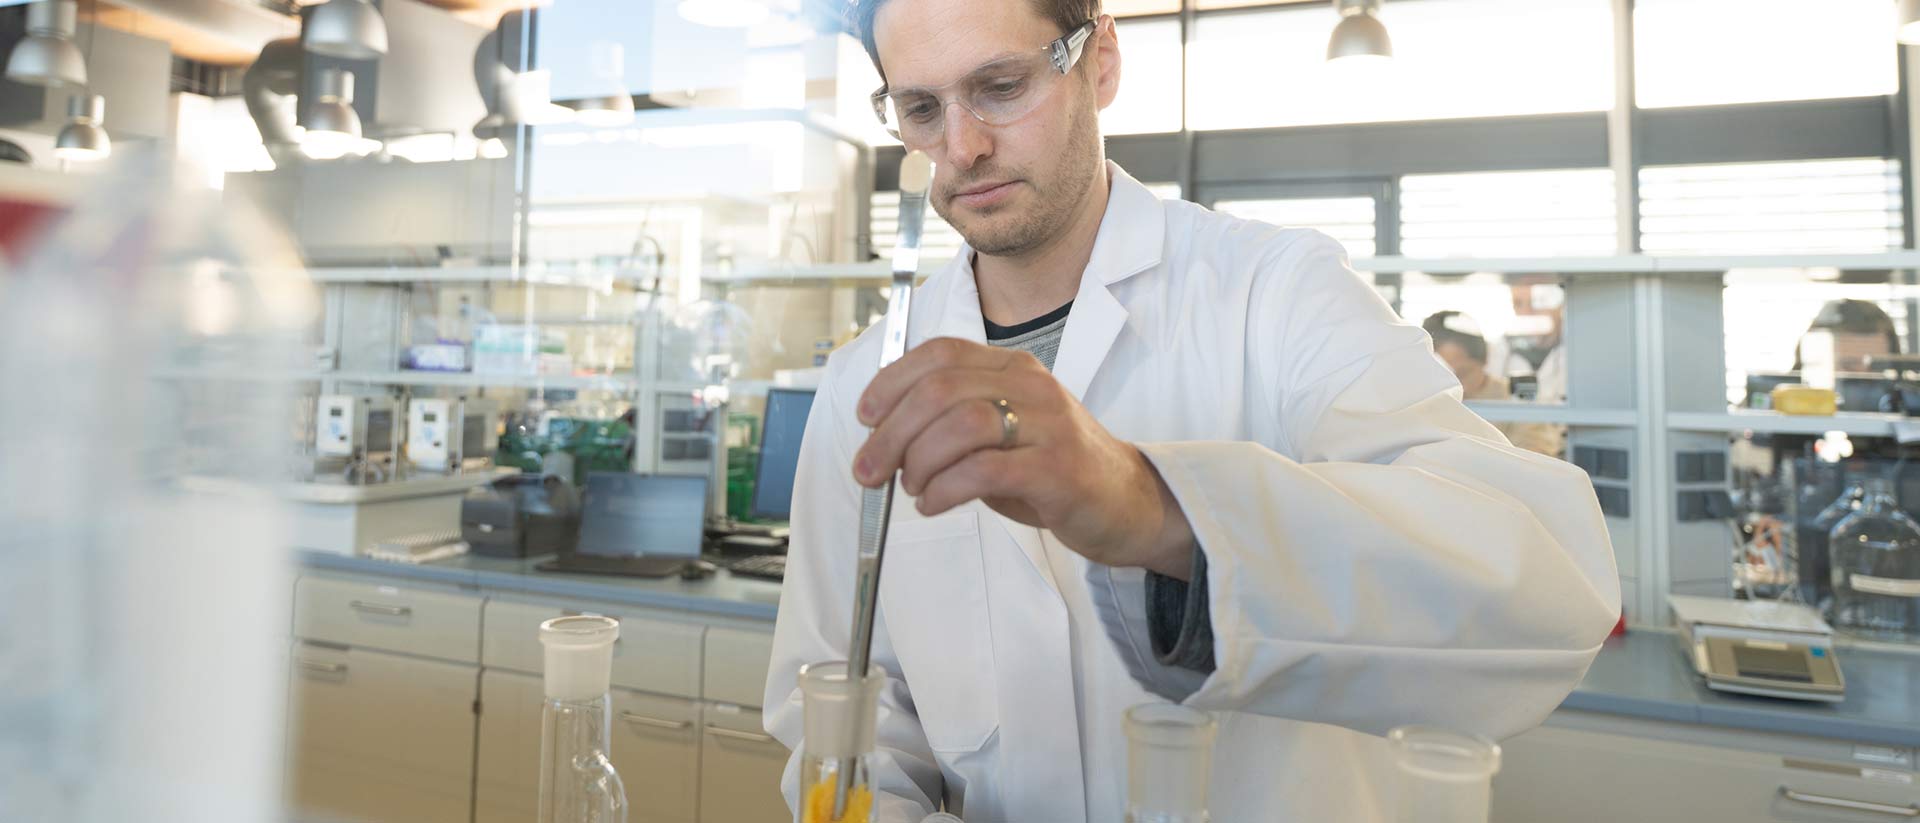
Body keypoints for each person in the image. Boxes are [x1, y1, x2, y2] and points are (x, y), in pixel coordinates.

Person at [763, 1, 1620, 820]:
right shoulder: (864, 384)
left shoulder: (1276, 294)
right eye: (921, 108)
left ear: (1100, 60)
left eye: (1002, 87)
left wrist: (1157, 507)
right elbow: (844, 715)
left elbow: (1550, 595)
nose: (961, 147)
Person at [1423, 310, 1564, 457]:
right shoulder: (1424, 402)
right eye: (1440, 376)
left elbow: (1535, 453)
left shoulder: (1514, 399)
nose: (1451, 386)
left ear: (1485, 359)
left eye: (1462, 375)